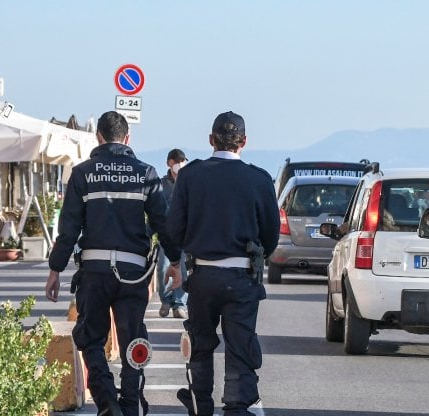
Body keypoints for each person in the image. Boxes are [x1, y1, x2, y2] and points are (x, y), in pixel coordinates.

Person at [45, 111, 182, 416]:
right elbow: (162, 223)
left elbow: (68, 229)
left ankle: (107, 401)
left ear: (99, 137)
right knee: (134, 338)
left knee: (91, 337)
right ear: (127, 138)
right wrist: (175, 262)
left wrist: (55, 269)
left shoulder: (82, 174)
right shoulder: (145, 174)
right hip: (134, 273)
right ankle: (131, 404)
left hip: (94, 272)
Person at [165, 111, 280, 416]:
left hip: (202, 275)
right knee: (240, 348)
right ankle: (236, 407)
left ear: (211, 140)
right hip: (242, 277)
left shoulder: (191, 175)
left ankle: (200, 404)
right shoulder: (259, 179)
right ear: (244, 142)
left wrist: (176, 261)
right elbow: (270, 235)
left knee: (201, 345)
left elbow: (174, 227)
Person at [157, 148, 189, 319]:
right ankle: (165, 300)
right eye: (177, 161)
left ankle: (180, 303)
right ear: (169, 163)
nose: (180, 164)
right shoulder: (162, 184)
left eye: (182, 161)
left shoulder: (188, 182)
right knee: (163, 268)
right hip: (166, 234)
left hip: (185, 234)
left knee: (183, 269)